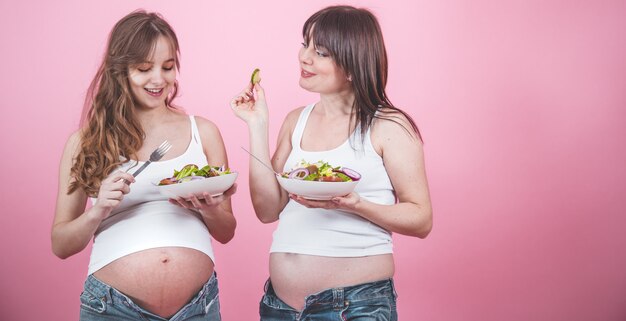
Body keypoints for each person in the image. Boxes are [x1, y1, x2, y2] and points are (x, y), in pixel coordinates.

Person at [231, 5, 432, 321]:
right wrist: (257, 126)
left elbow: (421, 219)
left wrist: (355, 205)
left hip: (355, 307)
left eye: (320, 52)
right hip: (279, 306)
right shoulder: (295, 120)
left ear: (352, 65)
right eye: (305, 45)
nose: (304, 57)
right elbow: (267, 210)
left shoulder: (389, 126)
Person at [52, 10, 236, 321]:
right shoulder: (85, 142)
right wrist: (98, 211)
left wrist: (208, 207)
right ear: (119, 70)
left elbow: (227, 231)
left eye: (167, 67)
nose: (159, 80)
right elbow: (61, 244)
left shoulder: (203, 132)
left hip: (198, 308)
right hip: (112, 308)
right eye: (144, 68)